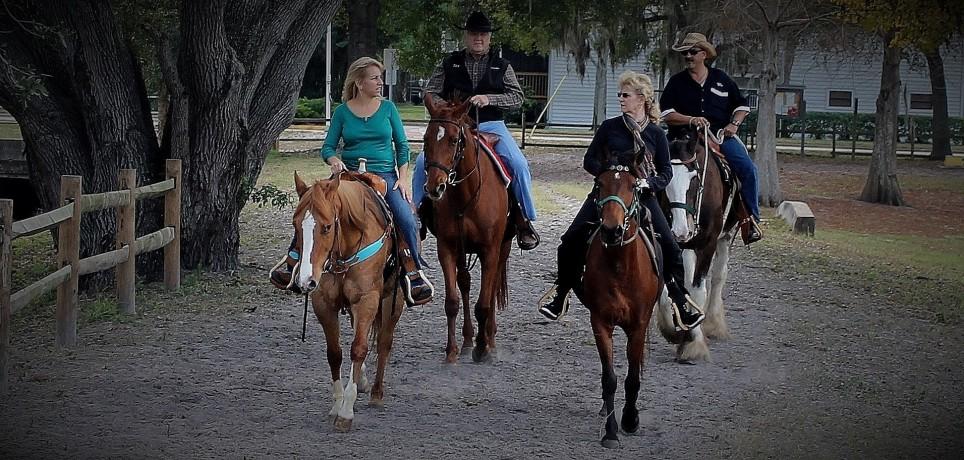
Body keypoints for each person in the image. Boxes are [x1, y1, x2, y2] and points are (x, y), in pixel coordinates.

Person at [537, 70, 704, 330]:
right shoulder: (609, 127)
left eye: (625, 95)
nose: (621, 99)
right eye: (620, 95)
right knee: (571, 238)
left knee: (670, 246)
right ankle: (561, 290)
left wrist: (646, 182)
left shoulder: (657, 135)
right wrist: (610, 171)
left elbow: (666, 173)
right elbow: (589, 160)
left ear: (642, 99)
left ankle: (679, 299)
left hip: (642, 196)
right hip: (607, 195)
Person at [270, 57, 434, 306]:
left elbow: (402, 147)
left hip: (385, 177)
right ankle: (292, 260)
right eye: (374, 78)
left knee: (408, 218)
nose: (380, 82)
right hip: (347, 176)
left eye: (380, 77)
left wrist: (403, 178)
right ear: (359, 82)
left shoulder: (388, 108)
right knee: (312, 210)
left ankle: (414, 273)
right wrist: (334, 159)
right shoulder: (342, 112)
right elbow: (327, 147)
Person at [411, 11, 540, 250]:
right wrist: (446, 108)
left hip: (491, 125)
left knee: (519, 164)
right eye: (473, 34)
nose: (478, 38)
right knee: (421, 162)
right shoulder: (449, 63)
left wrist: (490, 99)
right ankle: (417, 213)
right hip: (454, 126)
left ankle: (525, 219)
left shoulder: (502, 66)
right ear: (466, 36)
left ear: (489, 37)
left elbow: (517, 97)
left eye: (482, 34)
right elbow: (430, 91)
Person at [659, 32, 763, 243]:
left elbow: (742, 106)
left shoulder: (722, 80)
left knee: (748, 169)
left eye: (692, 52)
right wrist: (691, 119)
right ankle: (649, 215)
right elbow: (665, 113)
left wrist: (734, 124)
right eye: (685, 52)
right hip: (682, 138)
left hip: (719, 136)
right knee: (655, 166)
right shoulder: (676, 82)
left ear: (704, 54)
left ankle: (750, 220)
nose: (688, 56)